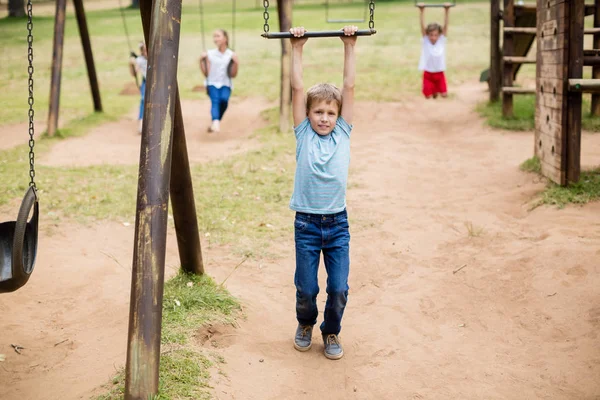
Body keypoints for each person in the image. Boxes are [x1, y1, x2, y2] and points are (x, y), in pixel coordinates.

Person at [288, 25, 357, 360]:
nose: (325, 118)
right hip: (306, 225)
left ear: (339, 116)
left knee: (339, 288)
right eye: (318, 112)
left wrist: (349, 45)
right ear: (308, 114)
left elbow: (350, 86)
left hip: (337, 225)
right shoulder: (303, 134)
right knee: (307, 287)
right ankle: (305, 322)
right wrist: (297, 48)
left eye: (331, 112)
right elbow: (298, 87)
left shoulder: (343, 133)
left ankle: (330, 331)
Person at [200, 29, 239, 133]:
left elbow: (233, 75)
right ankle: (215, 121)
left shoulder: (231, 54)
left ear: (225, 38)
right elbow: (206, 73)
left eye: (218, 36)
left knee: (224, 101)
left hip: (226, 83)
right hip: (212, 83)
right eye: (214, 36)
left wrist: (236, 63)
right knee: (215, 100)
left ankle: (215, 121)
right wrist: (201, 61)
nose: (215, 39)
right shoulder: (210, 54)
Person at [417, 3, 451, 99]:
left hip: (439, 72)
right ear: (428, 34)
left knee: (444, 95)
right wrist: (421, 11)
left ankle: (436, 91)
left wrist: (447, 11)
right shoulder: (426, 41)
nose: (433, 37)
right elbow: (422, 26)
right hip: (428, 73)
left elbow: (445, 26)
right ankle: (433, 91)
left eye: (435, 35)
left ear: (439, 35)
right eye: (431, 35)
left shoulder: (441, 40)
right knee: (428, 96)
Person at [129, 42, 148, 133]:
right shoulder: (139, 60)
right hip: (146, 82)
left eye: (146, 50)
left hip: (157, 82)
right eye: (143, 51)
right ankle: (141, 122)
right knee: (143, 99)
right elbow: (134, 73)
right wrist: (131, 64)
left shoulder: (155, 58)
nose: (145, 52)